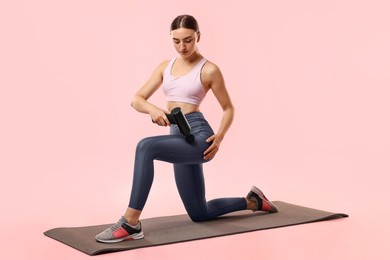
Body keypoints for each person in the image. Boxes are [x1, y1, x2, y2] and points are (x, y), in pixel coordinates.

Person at [95, 14, 278, 243]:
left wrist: (219, 138)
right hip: (176, 134)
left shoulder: (209, 69)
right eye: (177, 41)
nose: (182, 46)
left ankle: (131, 222)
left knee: (145, 147)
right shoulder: (165, 67)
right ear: (170, 38)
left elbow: (229, 108)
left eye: (188, 40)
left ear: (198, 36)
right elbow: (137, 99)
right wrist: (153, 110)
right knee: (199, 213)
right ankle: (253, 201)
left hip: (199, 137)